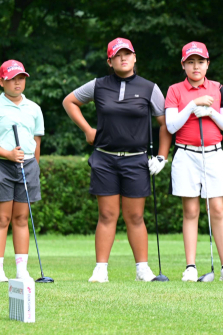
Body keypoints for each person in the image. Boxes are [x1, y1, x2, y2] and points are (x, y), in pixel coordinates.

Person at [63, 38, 172, 282]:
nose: (123, 58)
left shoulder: (149, 88)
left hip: (136, 160)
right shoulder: (98, 85)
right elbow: (69, 102)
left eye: (127, 54)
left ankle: (142, 269)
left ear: (134, 58)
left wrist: (162, 156)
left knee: (135, 217)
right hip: (105, 158)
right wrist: (88, 130)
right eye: (117, 55)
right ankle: (101, 269)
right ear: (110, 61)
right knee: (107, 215)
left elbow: (165, 123)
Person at [165, 41, 223, 282]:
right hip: (186, 154)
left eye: (200, 61)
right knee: (191, 211)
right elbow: (171, 125)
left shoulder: (218, 89)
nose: (195, 66)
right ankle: (190, 267)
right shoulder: (175, 90)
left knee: (217, 209)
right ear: (183, 65)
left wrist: (210, 112)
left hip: (214, 154)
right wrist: (192, 105)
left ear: (207, 64)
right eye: (190, 62)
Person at [0, 60, 44, 282]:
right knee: (2, 218)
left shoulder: (34, 108)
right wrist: (6, 154)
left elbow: (36, 141)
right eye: (12, 79)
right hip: (3, 166)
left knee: (22, 218)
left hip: (28, 166)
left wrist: (34, 165)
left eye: (21, 78)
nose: (17, 82)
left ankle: (21, 269)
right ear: (1, 82)